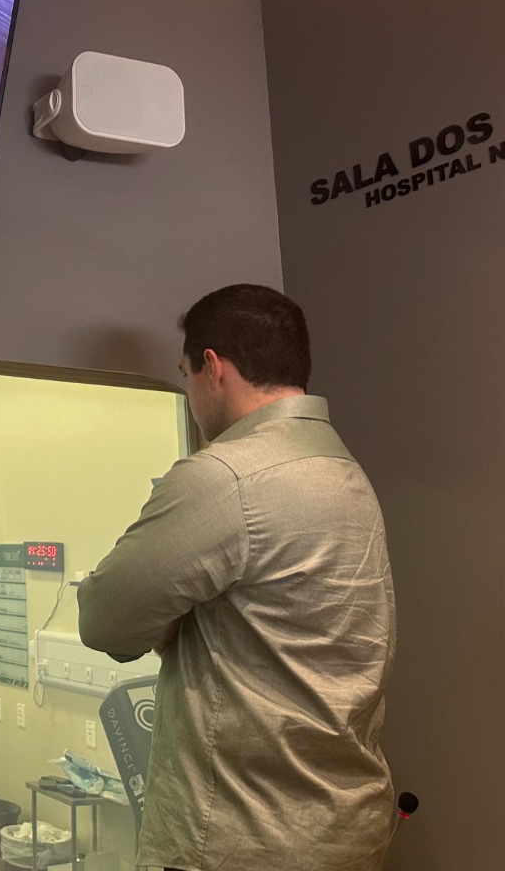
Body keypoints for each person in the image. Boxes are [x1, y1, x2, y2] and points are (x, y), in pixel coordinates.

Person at [77, 284, 395, 871]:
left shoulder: (226, 476)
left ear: (213, 367)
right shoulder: (347, 475)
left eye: (185, 376)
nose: (189, 396)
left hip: (239, 839)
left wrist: (177, 619)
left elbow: (104, 620)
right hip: (348, 830)